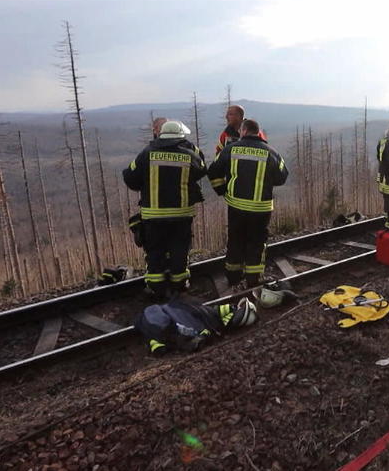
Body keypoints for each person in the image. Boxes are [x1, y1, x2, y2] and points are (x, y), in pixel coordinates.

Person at [123, 120, 207, 299]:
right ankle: (179, 284)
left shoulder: (147, 153)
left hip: (153, 215)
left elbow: (130, 177)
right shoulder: (189, 154)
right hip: (181, 214)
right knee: (179, 249)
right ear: (181, 137)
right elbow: (201, 169)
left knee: (155, 250)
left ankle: (156, 287)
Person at [208, 119, 289, 288]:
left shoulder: (230, 149)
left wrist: (222, 190)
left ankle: (233, 276)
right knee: (257, 242)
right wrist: (265, 181)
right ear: (258, 132)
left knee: (236, 240)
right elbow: (282, 177)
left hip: (236, 207)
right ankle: (253, 278)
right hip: (261, 209)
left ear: (243, 131)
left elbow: (213, 171)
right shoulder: (271, 152)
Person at [136, 295, 257, 356]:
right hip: (182, 314)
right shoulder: (211, 323)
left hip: (178, 314)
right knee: (212, 314)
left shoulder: (210, 322)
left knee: (212, 314)